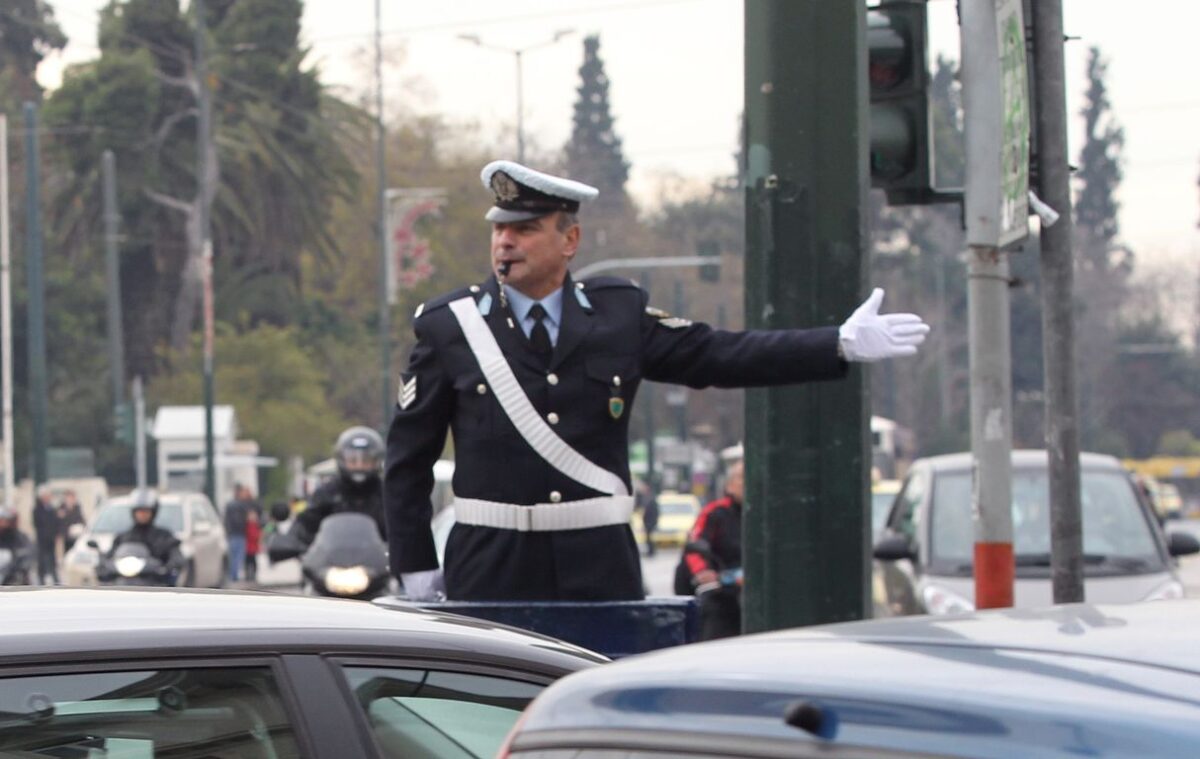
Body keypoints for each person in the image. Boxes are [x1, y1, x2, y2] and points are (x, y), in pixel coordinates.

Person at [385, 160, 929, 603]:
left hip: (597, 562)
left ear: (569, 239)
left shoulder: (618, 315)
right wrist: (414, 566)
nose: (506, 242)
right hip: (489, 562)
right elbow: (408, 459)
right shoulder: (450, 326)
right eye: (500, 229)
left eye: (525, 229)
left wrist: (835, 343)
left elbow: (719, 355)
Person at [683, 460, 745, 640]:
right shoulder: (715, 512)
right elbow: (695, 545)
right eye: (741, 477)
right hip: (723, 592)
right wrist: (703, 572)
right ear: (730, 485)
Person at [294, 426, 387, 546]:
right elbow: (304, 525)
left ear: (376, 462)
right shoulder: (326, 493)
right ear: (342, 460)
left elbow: (405, 526)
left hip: (380, 562)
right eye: (353, 460)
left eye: (366, 461)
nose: (359, 466)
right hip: (331, 561)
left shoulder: (388, 494)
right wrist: (294, 543)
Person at [106, 490, 186, 582]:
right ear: (133, 512)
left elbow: (176, 555)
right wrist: (104, 565)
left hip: (155, 583)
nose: (142, 515)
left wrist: (168, 567)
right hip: (124, 580)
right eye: (139, 511)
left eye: (146, 511)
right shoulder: (123, 537)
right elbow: (110, 556)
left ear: (153, 512)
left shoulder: (164, 536)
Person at [223, 483, 255, 583]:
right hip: (240, 533)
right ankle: (234, 576)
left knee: (233, 556)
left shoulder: (230, 505)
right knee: (238, 556)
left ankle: (233, 575)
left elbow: (226, 520)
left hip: (232, 533)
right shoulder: (242, 505)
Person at [32, 487, 60, 586]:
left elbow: (56, 522)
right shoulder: (37, 509)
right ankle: (41, 579)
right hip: (42, 539)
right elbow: (37, 524)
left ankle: (55, 578)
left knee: (52, 560)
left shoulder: (52, 509)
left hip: (51, 540)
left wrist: (55, 533)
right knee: (42, 560)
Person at [0, 506, 33, 585]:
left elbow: (26, 554)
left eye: (5, 520)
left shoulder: (20, 537)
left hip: (12, 576)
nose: (3, 523)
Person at [637, 481, 659, 557]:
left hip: (650, 522)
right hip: (647, 522)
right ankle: (650, 551)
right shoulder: (646, 498)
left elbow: (654, 512)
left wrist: (653, 522)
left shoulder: (651, 499)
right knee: (648, 538)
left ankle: (651, 551)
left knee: (649, 538)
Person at [244, 510, 261, 583]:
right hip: (248, 547)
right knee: (248, 561)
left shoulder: (255, 525)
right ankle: (249, 575)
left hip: (252, 547)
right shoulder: (248, 525)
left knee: (252, 561)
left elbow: (256, 535)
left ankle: (252, 575)